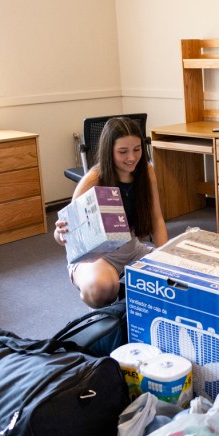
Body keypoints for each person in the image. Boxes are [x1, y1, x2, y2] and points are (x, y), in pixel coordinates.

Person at [54, 117, 168, 308]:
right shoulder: (93, 179)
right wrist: (59, 233)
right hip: (96, 257)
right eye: (123, 151)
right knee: (101, 289)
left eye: (137, 149)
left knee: (176, 277)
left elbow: (157, 219)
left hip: (132, 250)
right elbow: (65, 237)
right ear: (109, 151)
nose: (131, 158)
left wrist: (166, 257)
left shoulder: (146, 171)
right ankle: (105, 292)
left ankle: (124, 286)